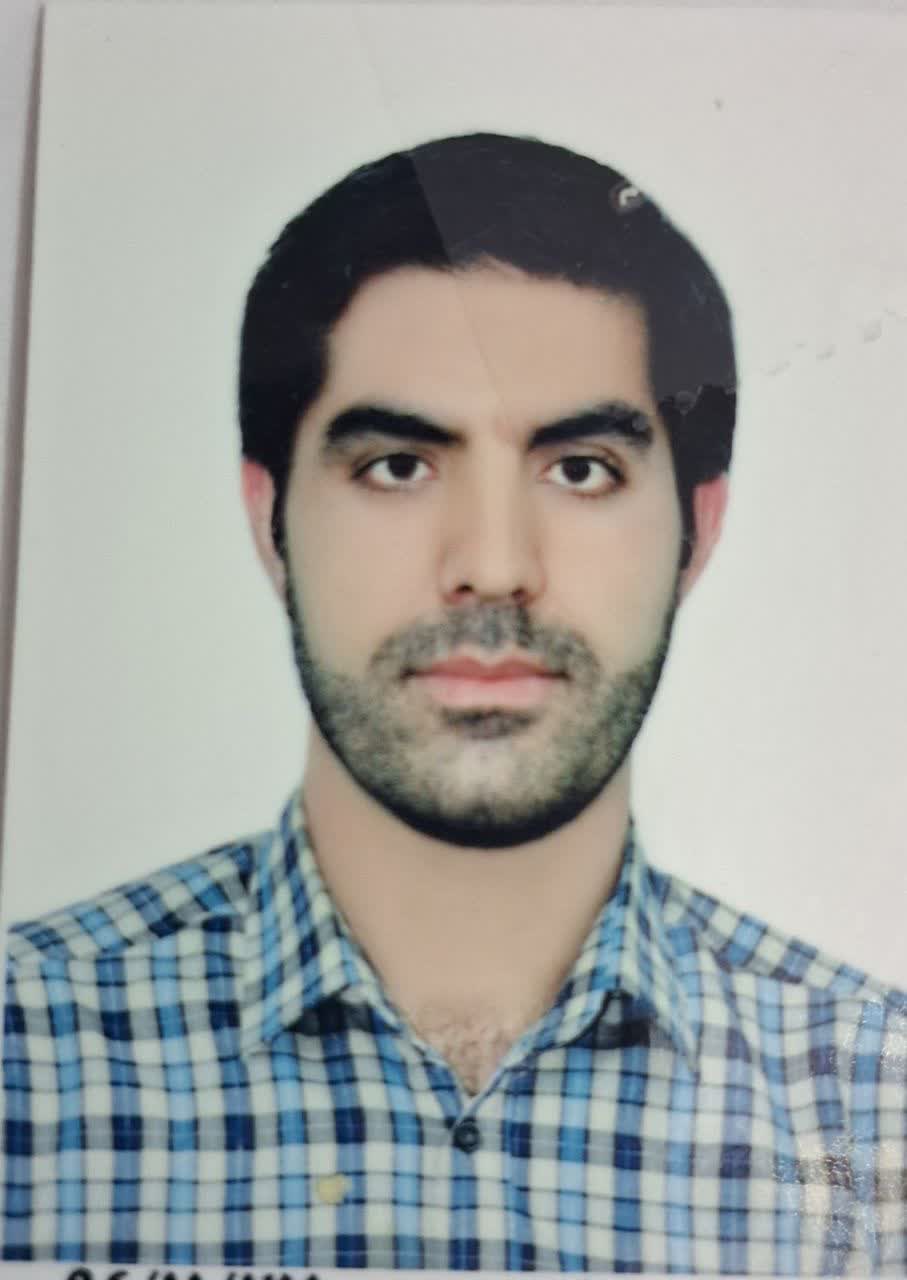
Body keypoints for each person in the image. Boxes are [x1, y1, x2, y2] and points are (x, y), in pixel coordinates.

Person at [3, 133, 905, 1274]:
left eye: (579, 468)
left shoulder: (876, 1096)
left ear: (698, 531)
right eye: (398, 464)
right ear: (269, 521)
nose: (491, 565)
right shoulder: (22, 1053)